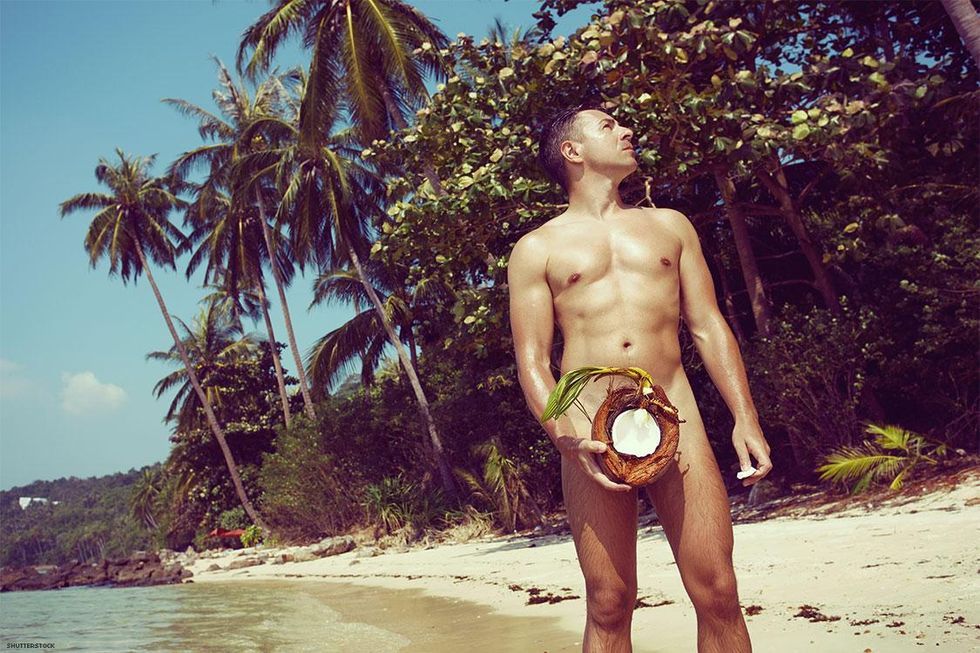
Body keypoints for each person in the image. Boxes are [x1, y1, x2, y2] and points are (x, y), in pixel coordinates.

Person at [507, 105, 773, 653]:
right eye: (607, 126)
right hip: (589, 428)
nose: (627, 131)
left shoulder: (671, 226)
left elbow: (707, 325)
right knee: (608, 601)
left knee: (719, 590)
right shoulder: (538, 248)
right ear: (572, 151)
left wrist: (745, 417)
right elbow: (533, 361)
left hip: (676, 410)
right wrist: (565, 437)